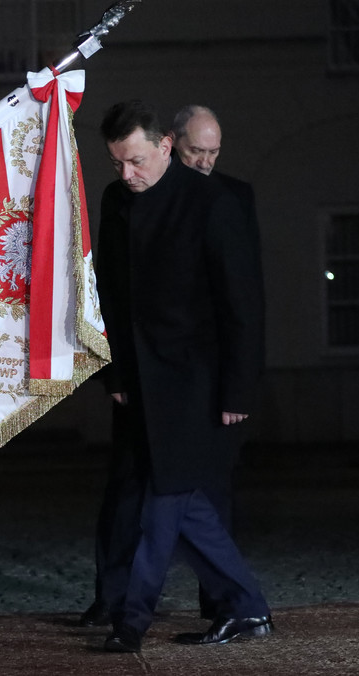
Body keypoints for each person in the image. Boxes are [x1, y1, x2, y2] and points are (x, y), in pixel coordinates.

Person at [91, 99, 270, 653]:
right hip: (142, 381)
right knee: (187, 506)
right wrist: (116, 372)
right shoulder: (117, 200)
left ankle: (132, 620)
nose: (128, 174)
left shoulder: (214, 202)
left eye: (137, 161)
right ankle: (248, 609)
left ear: (165, 145)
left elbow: (242, 303)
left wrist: (238, 389)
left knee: (163, 504)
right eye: (118, 163)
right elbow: (111, 296)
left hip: (199, 382)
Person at [170, 103, 264, 620]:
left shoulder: (234, 197)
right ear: (173, 144)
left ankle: (228, 603)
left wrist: (239, 386)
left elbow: (247, 301)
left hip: (215, 369)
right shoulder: (147, 195)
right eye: (195, 152)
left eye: (213, 152)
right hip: (167, 368)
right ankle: (126, 602)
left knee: (212, 490)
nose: (205, 162)